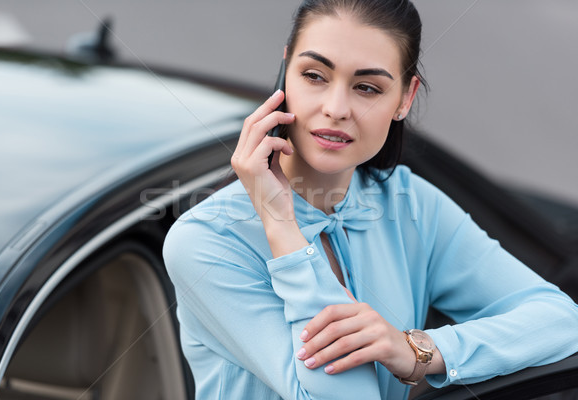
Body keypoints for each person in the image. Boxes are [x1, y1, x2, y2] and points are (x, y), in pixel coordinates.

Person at [163, 0, 578, 398]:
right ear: (285, 69)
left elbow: (560, 320)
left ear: (405, 98)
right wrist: (280, 225)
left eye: (367, 87)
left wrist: (418, 351)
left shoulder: (409, 202)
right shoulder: (207, 243)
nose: (336, 108)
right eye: (314, 75)